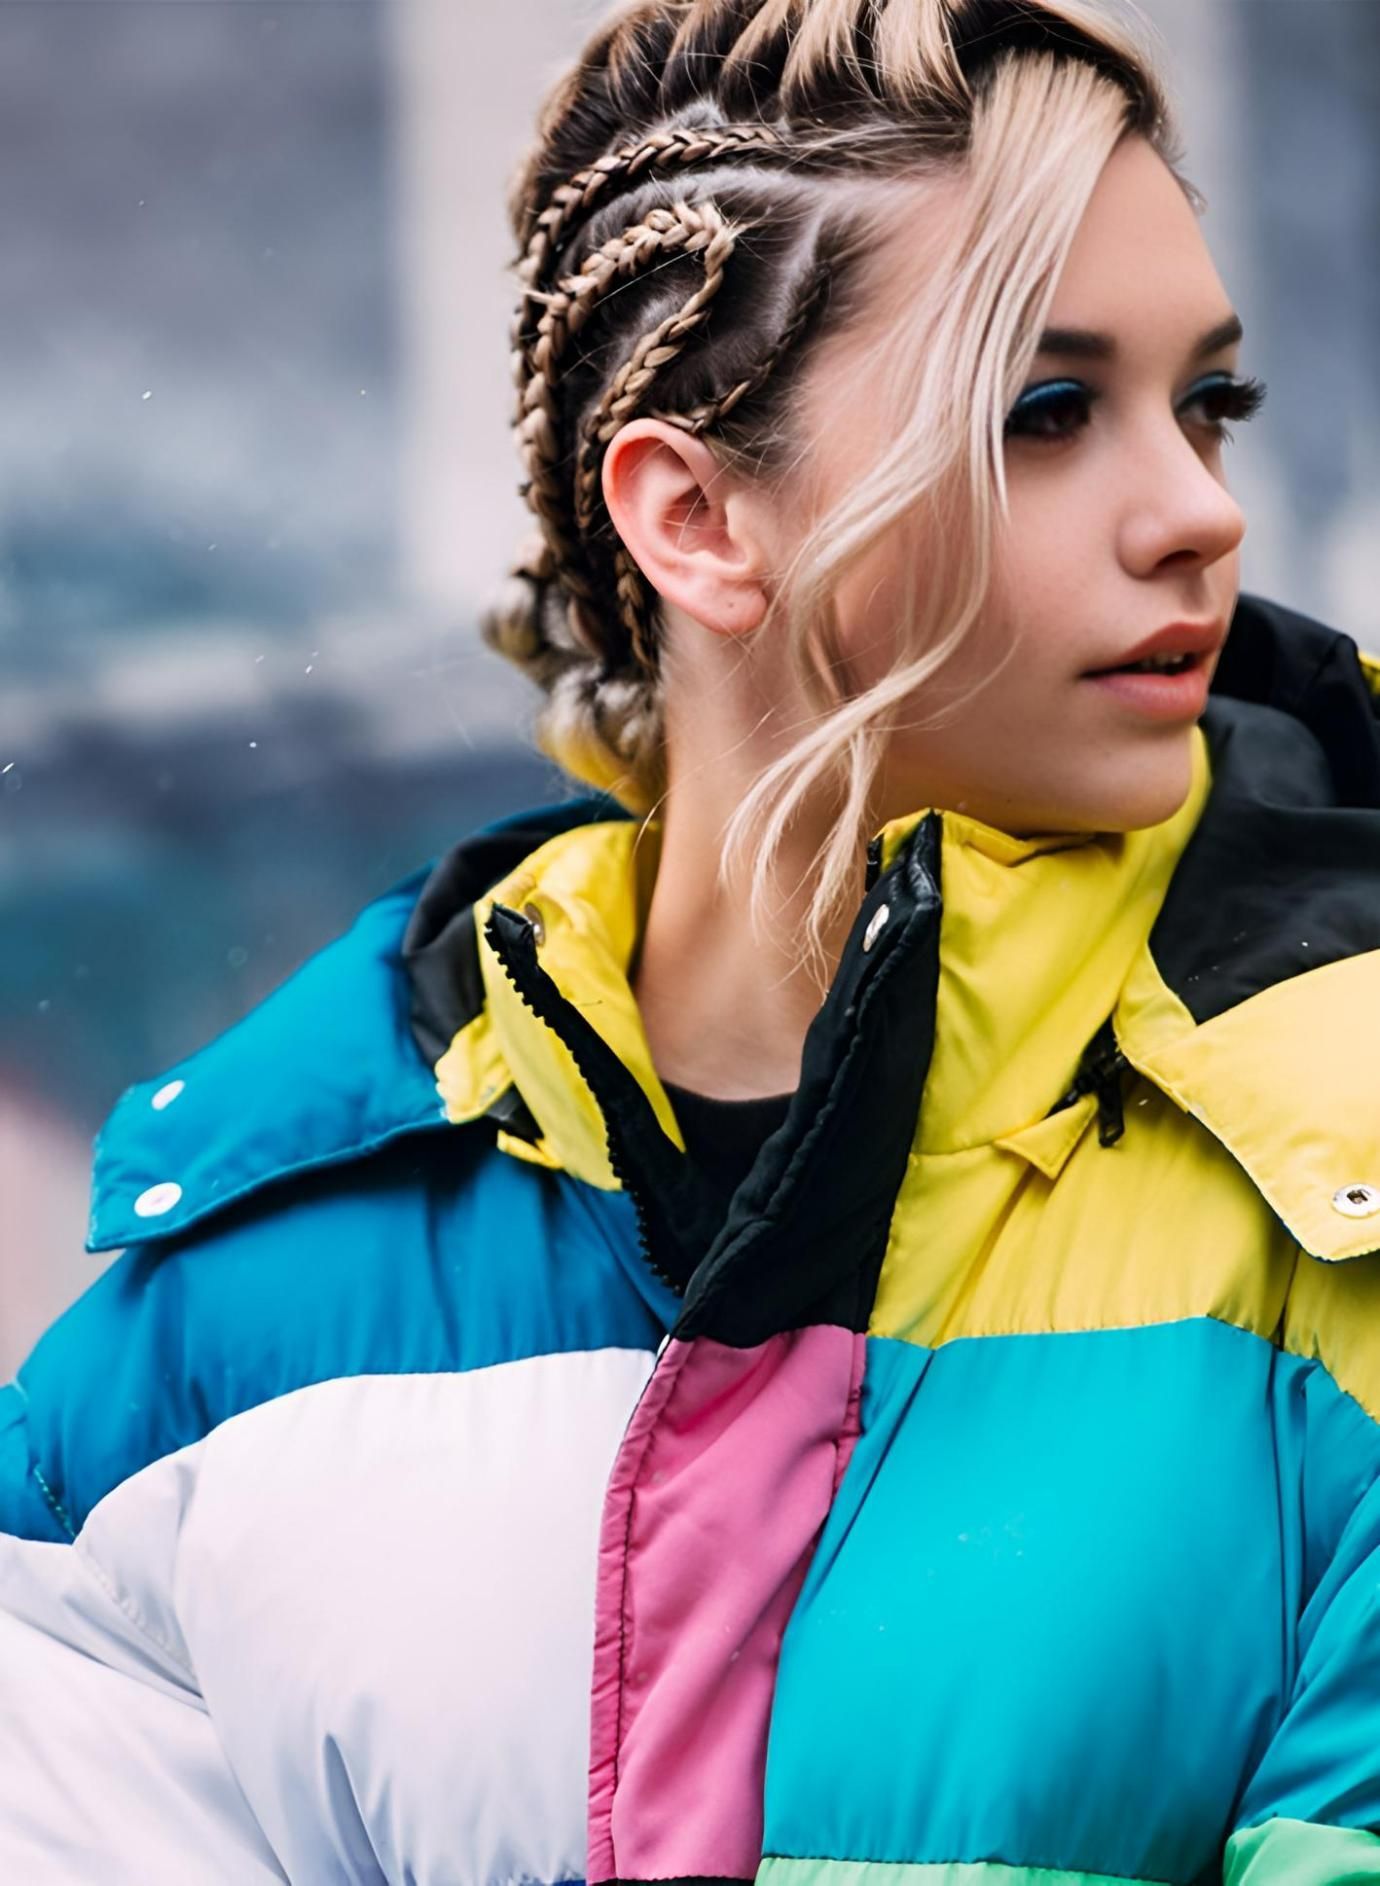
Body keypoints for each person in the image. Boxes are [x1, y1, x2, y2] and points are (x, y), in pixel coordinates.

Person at [2, 0, 1378, 1879]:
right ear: (701, 515)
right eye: (1047, 414)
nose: (1200, 511)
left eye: (1208, 403)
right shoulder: (213, 1336)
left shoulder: (1345, 1179)